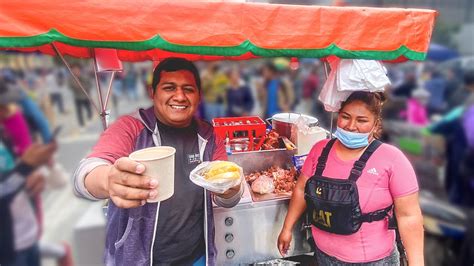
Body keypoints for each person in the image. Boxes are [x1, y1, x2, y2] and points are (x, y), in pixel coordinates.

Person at [73, 58, 243, 265]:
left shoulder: (208, 135)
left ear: (199, 96)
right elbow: (86, 174)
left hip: (197, 256)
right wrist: (108, 180)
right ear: (152, 92)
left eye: (188, 89)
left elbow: (226, 197)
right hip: (136, 259)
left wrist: (232, 190)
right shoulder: (131, 128)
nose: (179, 96)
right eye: (169, 88)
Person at [278, 91, 424, 265]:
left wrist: (416, 263)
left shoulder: (392, 158)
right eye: (345, 117)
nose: (351, 126)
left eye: (362, 120)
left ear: (376, 124)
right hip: (324, 256)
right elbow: (301, 189)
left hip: (373, 261)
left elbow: (409, 217)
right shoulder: (320, 150)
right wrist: (287, 228)